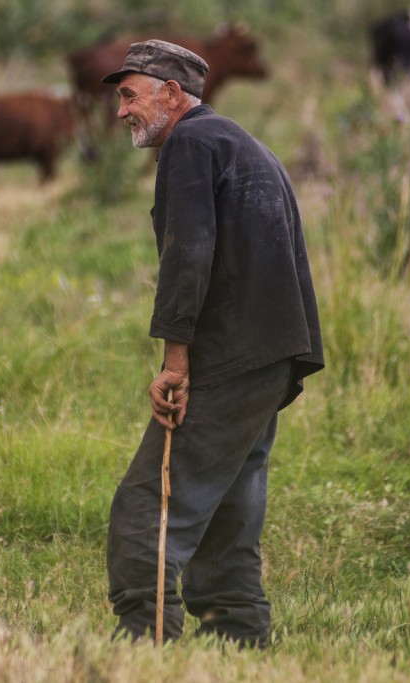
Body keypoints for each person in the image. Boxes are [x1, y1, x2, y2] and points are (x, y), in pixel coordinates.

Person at [99, 40, 324, 648]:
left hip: (232, 354)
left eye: (129, 95)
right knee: (228, 504)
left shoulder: (191, 143)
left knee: (149, 502)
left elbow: (188, 253)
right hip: (272, 354)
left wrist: (176, 360)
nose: (121, 111)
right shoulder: (237, 140)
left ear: (172, 95)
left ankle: (147, 643)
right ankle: (239, 639)